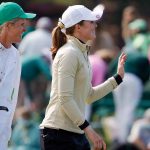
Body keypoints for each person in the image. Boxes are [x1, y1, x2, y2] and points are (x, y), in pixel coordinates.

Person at [40, 5, 126, 150]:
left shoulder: (80, 53)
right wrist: (89, 130)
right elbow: (65, 98)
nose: (95, 25)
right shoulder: (69, 53)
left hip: (73, 133)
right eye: (91, 21)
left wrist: (117, 79)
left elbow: (88, 96)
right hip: (58, 135)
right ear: (77, 27)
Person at [0, 2, 36, 150]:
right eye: (21, 24)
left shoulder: (15, 54)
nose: (25, 29)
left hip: (4, 129)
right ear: (7, 25)